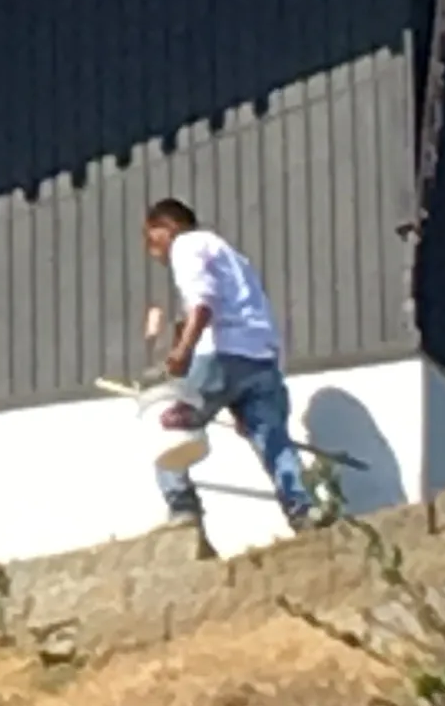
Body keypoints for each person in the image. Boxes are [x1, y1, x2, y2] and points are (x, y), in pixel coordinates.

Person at [141, 197, 332, 536]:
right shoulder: (233, 257)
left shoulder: (186, 245)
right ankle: (304, 510)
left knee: (167, 423)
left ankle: (182, 509)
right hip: (261, 360)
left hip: (220, 354)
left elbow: (202, 303)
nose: (150, 248)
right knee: (273, 440)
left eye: (150, 236)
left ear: (166, 227)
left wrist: (183, 351)